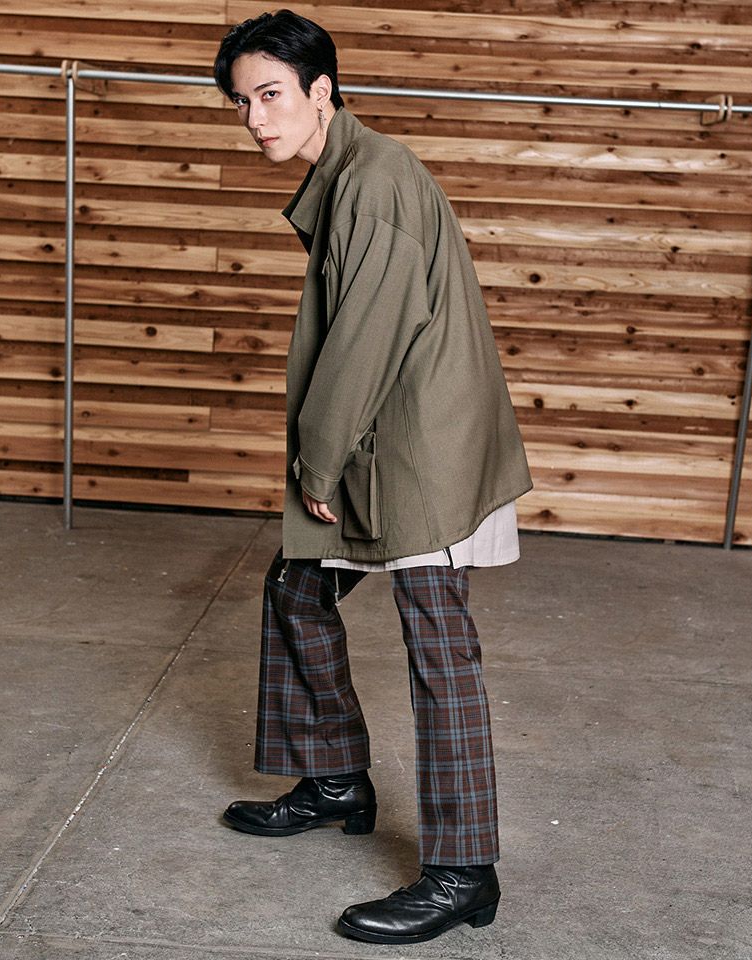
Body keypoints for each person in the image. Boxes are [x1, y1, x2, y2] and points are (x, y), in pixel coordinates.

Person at [213, 9, 532, 946]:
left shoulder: (376, 181)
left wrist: (318, 459)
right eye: (241, 102)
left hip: (421, 452)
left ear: (322, 90)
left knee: (439, 644)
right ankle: (336, 778)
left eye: (270, 94)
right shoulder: (346, 175)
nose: (255, 118)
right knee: (297, 589)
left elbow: (365, 338)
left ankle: (463, 873)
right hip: (382, 441)